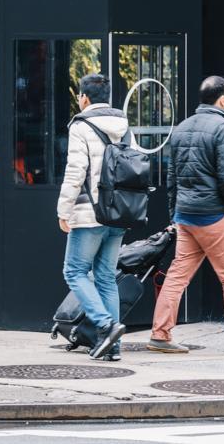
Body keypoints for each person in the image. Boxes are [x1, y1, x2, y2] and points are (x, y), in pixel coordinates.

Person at [148, 76, 224, 356]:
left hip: (186, 215)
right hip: (216, 215)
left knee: (178, 275)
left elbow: (172, 178)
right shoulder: (223, 128)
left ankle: (160, 333)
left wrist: (174, 214)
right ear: (223, 100)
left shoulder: (181, 128)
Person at [56, 73, 130, 360]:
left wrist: (64, 210)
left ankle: (106, 324)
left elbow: (75, 172)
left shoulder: (81, 125)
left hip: (89, 213)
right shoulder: (124, 125)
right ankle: (113, 346)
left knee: (74, 271)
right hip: (118, 212)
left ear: (84, 98)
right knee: (106, 278)